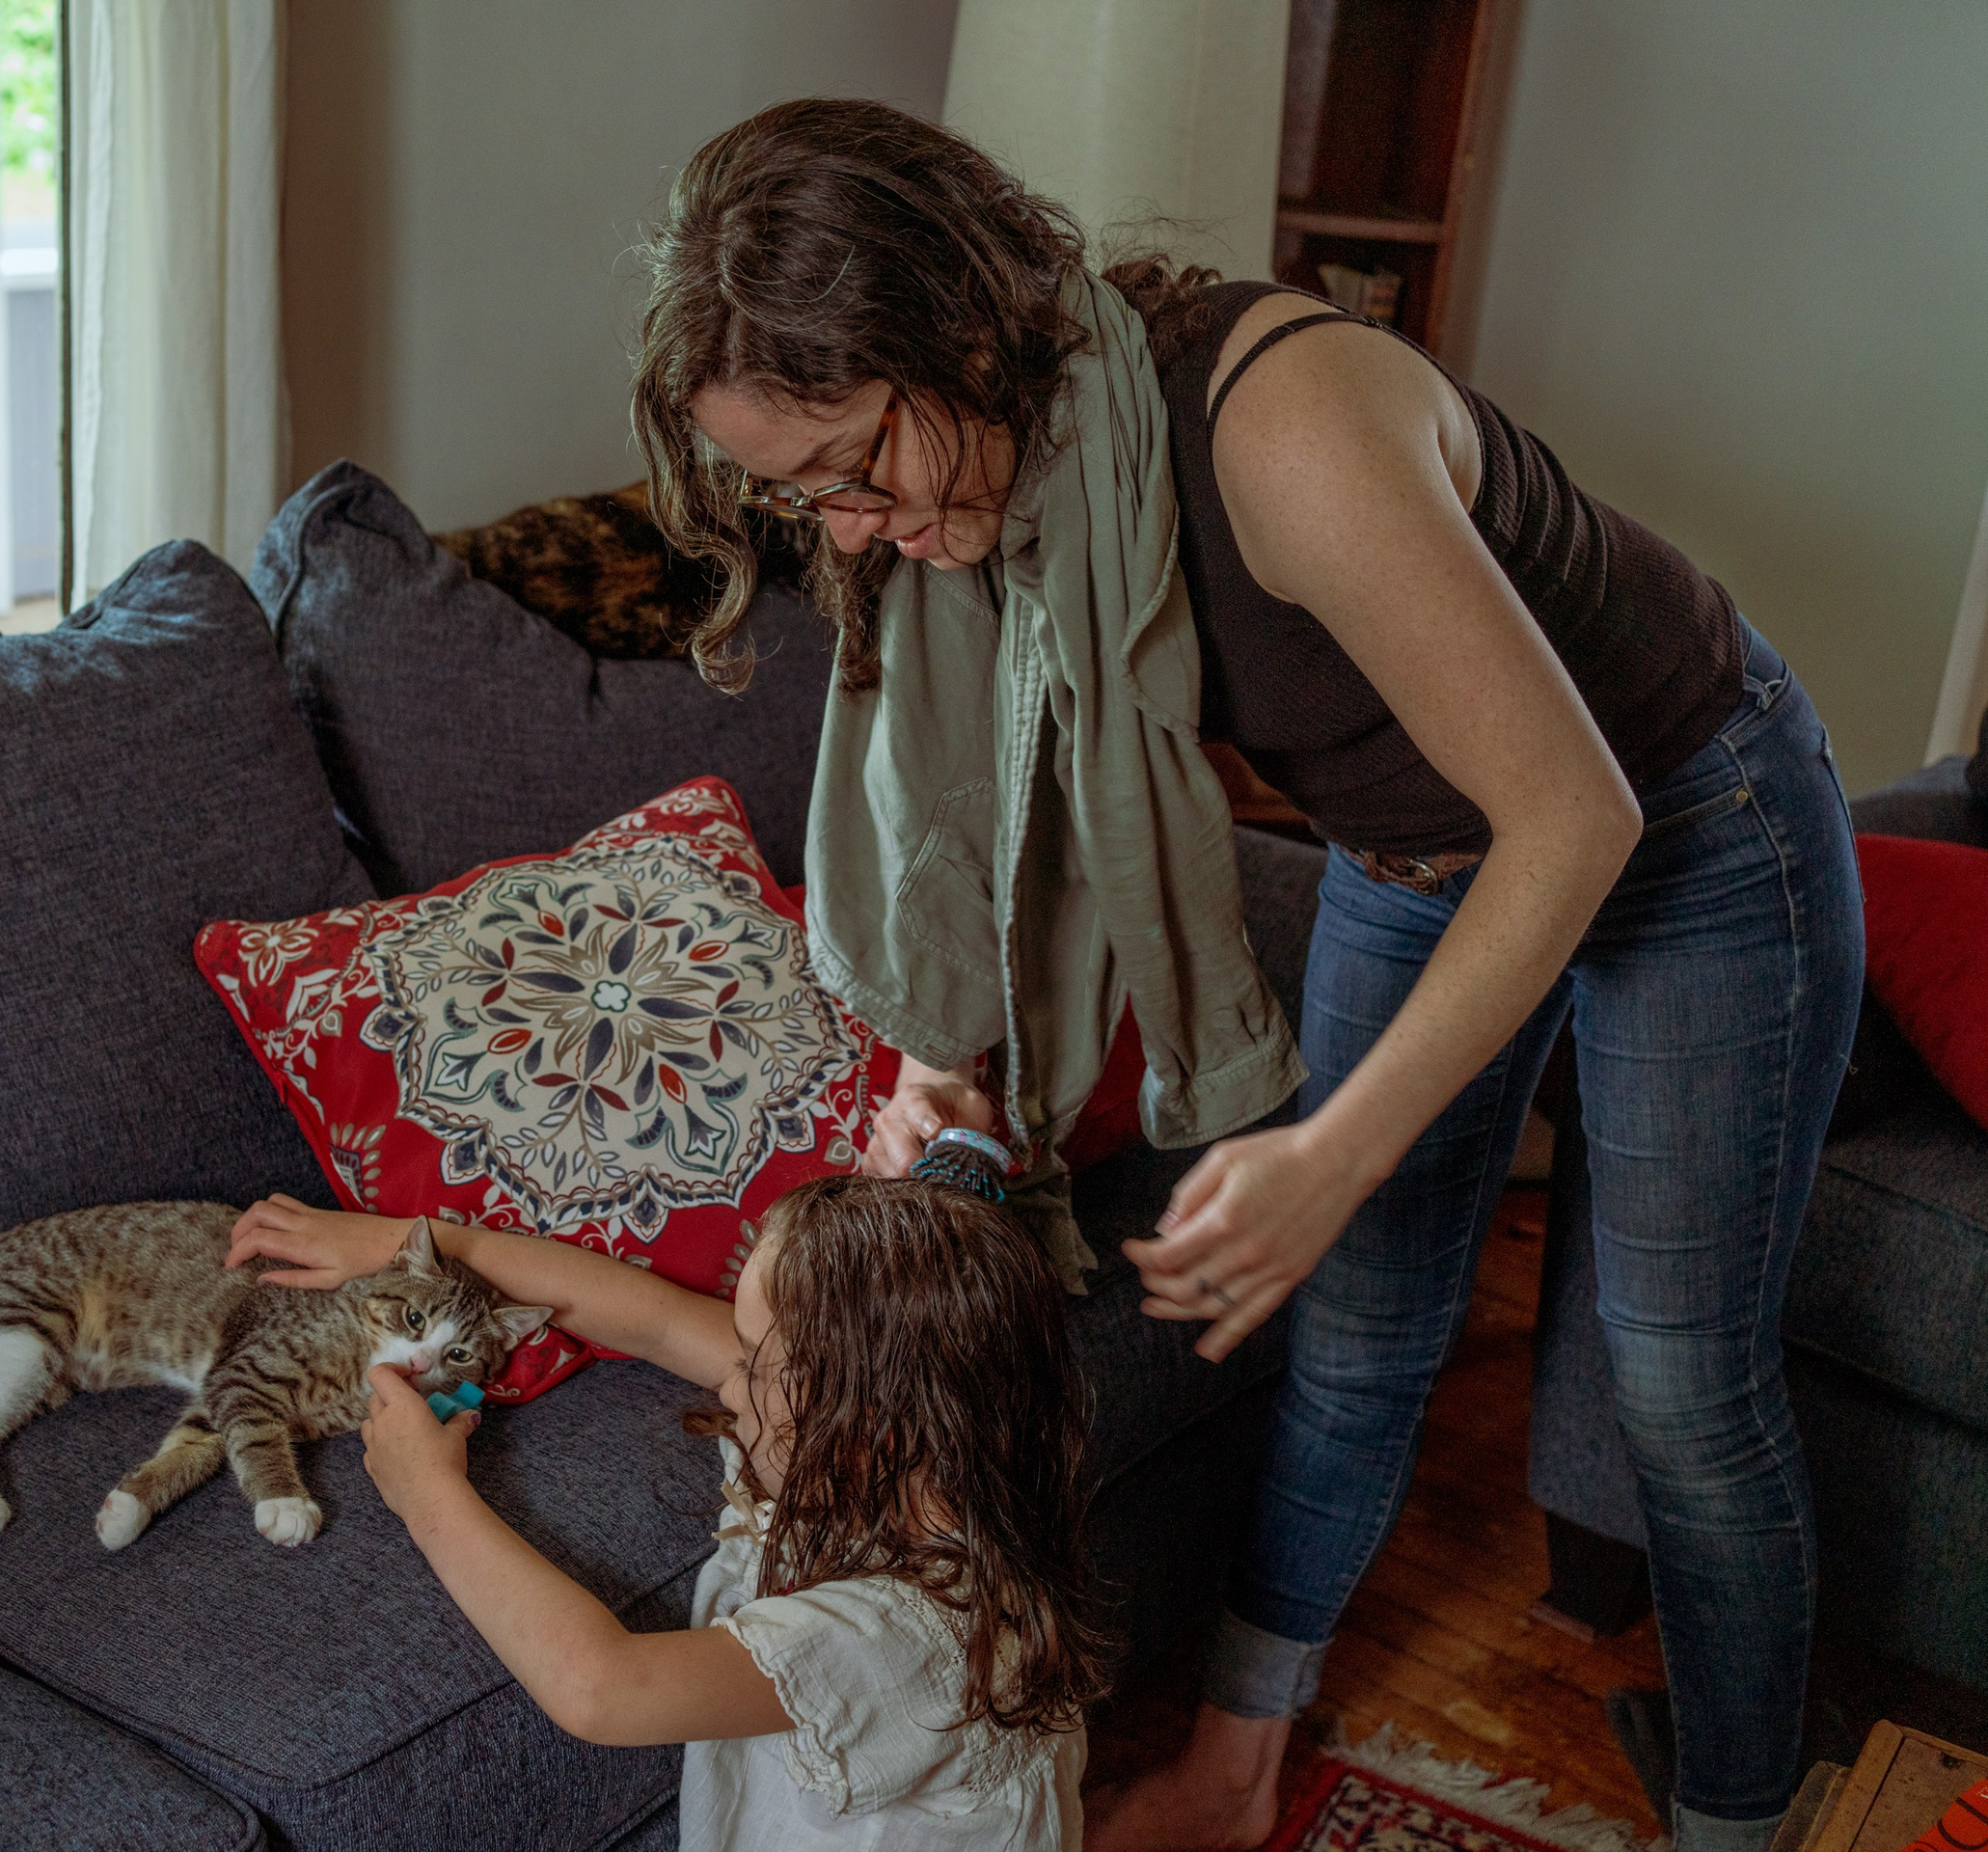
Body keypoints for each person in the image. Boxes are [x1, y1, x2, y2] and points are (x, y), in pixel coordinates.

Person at [628, 98, 1862, 1852]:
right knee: (1350, 1335)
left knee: (1678, 1374)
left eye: (852, 467)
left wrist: (1333, 1150)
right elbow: (1009, 816)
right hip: (1416, 848)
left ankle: (1743, 1821)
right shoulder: (1017, 495)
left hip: (1685, 810)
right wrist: (948, 1064)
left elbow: (1572, 818)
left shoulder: (1280, 426)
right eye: (795, 494)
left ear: (961, 334)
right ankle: (1235, 1763)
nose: (842, 534)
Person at [225, 1176, 1108, 1851]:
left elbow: (599, 1687)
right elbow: (649, 1318)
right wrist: (426, 1242)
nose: (725, 1373)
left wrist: (428, 1494)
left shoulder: (901, 1639)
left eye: (754, 1356)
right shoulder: (919, 1462)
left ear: (857, 1422)